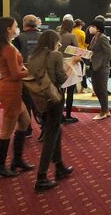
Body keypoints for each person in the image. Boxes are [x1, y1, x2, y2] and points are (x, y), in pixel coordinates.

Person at [27, 30, 76, 191]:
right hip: (54, 99)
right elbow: (62, 79)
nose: (59, 44)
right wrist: (73, 65)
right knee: (51, 136)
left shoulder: (33, 57)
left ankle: (59, 166)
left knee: (56, 130)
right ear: (53, 41)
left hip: (39, 99)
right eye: (58, 41)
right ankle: (41, 176)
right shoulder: (55, 55)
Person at [0, 17, 33, 178]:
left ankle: (17, 160)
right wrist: (30, 71)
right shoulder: (8, 49)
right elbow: (15, 74)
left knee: (25, 121)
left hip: (10, 89)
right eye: (15, 26)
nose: (17, 28)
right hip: (10, 90)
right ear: (8, 29)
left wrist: (24, 69)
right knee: (6, 130)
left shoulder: (5, 45)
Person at [13, 14, 42, 137]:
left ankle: (27, 129)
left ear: (24, 24)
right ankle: (45, 129)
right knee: (40, 103)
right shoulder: (43, 37)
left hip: (25, 76)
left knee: (26, 103)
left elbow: (15, 58)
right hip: (40, 75)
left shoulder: (18, 39)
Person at [89, 19, 111, 120]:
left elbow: (109, 52)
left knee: (102, 90)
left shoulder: (102, 38)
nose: (90, 28)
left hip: (101, 68)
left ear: (98, 28)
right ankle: (106, 110)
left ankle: (103, 111)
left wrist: (103, 63)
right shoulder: (94, 38)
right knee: (96, 89)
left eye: (93, 26)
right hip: (94, 67)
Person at [58, 19, 80, 124]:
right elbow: (77, 50)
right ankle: (68, 115)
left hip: (59, 63)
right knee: (70, 91)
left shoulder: (57, 35)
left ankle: (60, 115)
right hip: (71, 63)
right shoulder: (72, 36)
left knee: (60, 90)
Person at [73, 19, 91, 93]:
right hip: (81, 53)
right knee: (83, 71)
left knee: (74, 71)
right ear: (80, 25)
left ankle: (75, 88)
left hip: (73, 52)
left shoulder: (71, 31)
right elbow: (85, 43)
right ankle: (84, 86)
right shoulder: (81, 32)